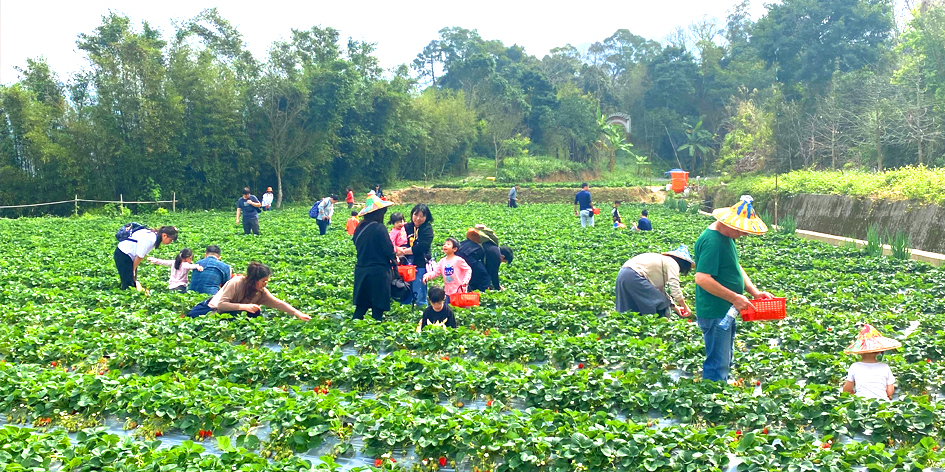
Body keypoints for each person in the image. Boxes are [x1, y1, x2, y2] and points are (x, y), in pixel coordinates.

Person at [694, 195, 773, 382]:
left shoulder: (726, 237)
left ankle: (719, 393)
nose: (744, 234)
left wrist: (754, 292)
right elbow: (702, 278)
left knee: (725, 357)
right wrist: (735, 297)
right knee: (717, 361)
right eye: (741, 230)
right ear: (728, 224)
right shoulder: (713, 241)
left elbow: (736, 266)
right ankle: (712, 398)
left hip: (727, 310)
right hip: (715, 311)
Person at [187, 262, 311, 321]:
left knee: (254, 314)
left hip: (232, 314)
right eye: (263, 281)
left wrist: (298, 313)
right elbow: (222, 305)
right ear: (254, 280)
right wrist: (245, 306)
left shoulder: (261, 291)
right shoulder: (237, 282)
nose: (265, 284)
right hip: (211, 310)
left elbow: (277, 303)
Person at [616, 245, 693, 318]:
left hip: (623, 275)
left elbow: (659, 291)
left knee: (631, 306)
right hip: (633, 275)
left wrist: (675, 307)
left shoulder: (663, 262)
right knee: (659, 303)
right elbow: (675, 288)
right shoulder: (673, 263)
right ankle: (659, 323)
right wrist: (685, 306)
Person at [352, 195, 397, 321]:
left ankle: (352, 333)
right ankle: (375, 335)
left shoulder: (360, 227)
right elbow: (388, 250)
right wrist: (395, 259)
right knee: (377, 309)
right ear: (379, 213)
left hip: (362, 270)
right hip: (378, 272)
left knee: (361, 307)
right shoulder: (379, 228)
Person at [842, 324, 900, 401]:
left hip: (862, 403)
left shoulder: (854, 366)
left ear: (859, 351)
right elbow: (890, 391)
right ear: (878, 351)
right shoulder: (885, 366)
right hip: (882, 403)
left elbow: (847, 389)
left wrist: (852, 393)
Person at [114, 225, 178, 291]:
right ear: (164, 235)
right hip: (123, 254)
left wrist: (133, 270)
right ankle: (126, 295)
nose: (170, 242)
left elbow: (142, 254)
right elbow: (139, 256)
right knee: (128, 283)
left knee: (131, 279)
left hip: (128, 255)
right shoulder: (151, 239)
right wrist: (133, 270)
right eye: (170, 240)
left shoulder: (154, 235)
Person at [396, 204, 434, 306]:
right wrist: (397, 249)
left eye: (422, 216)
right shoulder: (406, 227)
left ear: (427, 217)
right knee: (404, 289)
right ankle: (404, 310)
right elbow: (395, 240)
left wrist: (403, 251)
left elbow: (422, 247)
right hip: (405, 265)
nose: (418, 218)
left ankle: (421, 311)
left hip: (419, 263)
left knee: (419, 289)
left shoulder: (427, 229)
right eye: (415, 215)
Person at [422, 237, 472, 302]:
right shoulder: (442, 261)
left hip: (459, 291)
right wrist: (427, 276)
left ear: (454, 249)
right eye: (444, 244)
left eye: (448, 244)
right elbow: (436, 272)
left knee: (457, 309)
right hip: (447, 291)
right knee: (449, 307)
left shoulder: (458, 260)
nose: (445, 245)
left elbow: (468, 270)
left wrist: (465, 280)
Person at [477, 225, 512, 291]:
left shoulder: (493, 247)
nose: (500, 262)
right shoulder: (496, 255)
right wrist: (498, 287)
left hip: (468, 252)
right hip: (470, 257)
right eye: (503, 261)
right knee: (485, 277)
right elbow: (493, 273)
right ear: (503, 257)